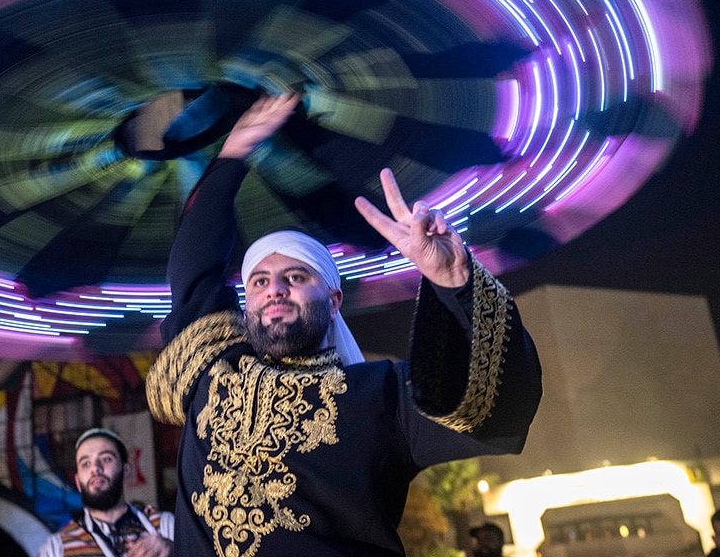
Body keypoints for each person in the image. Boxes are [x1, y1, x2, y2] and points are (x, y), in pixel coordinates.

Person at [145, 93, 542, 556]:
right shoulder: (214, 369)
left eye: (295, 277)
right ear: (246, 301)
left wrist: (456, 281)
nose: (274, 289)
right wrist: (231, 156)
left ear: (333, 299)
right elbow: (193, 266)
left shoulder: (384, 394)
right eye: (258, 281)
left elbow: (496, 410)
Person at [38, 428, 174, 557]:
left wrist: (173, 549)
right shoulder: (56, 548)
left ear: (127, 471)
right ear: (78, 482)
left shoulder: (163, 526)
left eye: (106, 459)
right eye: (86, 463)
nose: (95, 469)